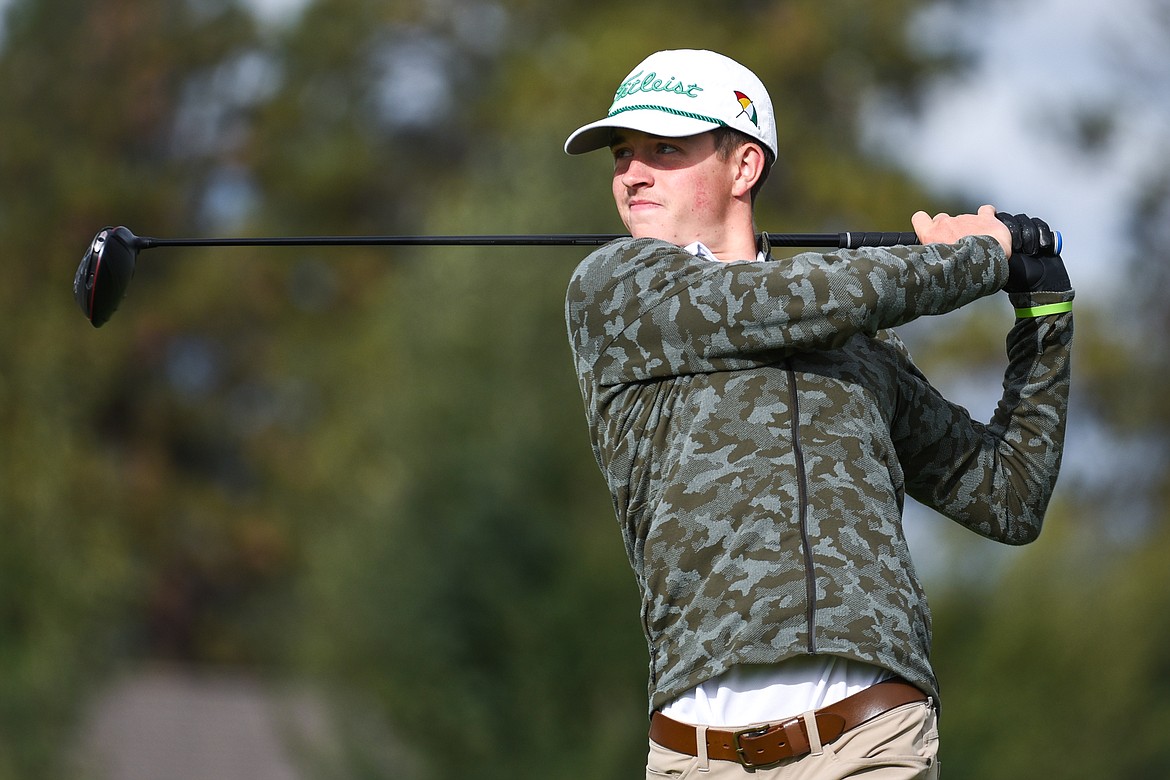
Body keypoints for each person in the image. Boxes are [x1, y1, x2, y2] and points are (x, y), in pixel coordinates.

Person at [562, 49, 1073, 779]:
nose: (632, 173)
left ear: (743, 167)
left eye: (664, 150)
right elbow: (791, 301)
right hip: (694, 756)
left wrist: (1044, 314)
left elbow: (1009, 495)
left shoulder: (859, 350)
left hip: (870, 741)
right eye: (622, 155)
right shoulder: (615, 291)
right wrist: (974, 260)